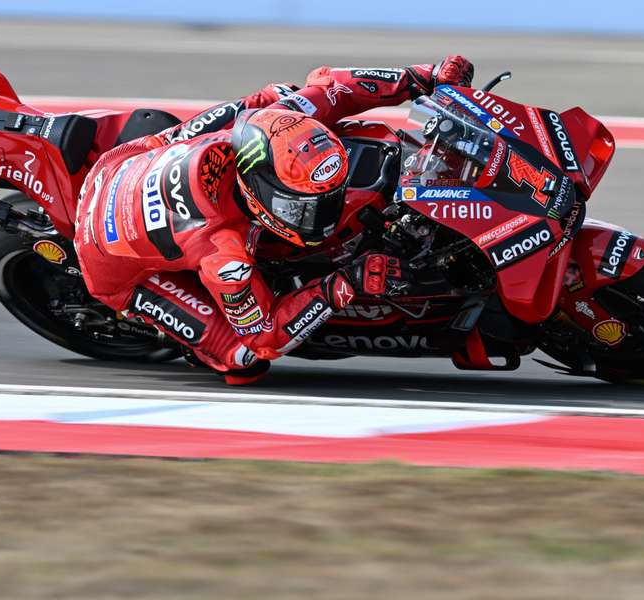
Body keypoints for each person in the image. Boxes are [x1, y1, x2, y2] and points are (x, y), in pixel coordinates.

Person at [74, 57, 475, 384]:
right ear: (259, 193)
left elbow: (333, 86)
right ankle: (185, 337)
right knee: (244, 360)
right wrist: (344, 284)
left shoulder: (281, 119)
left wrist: (426, 78)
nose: (326, 214)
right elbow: (264, 337)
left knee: (275, 95)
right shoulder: (223, 253)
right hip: (109, 257)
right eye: (304, 206)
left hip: (129, 157)